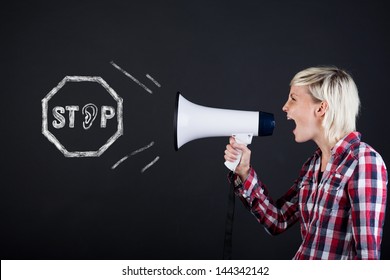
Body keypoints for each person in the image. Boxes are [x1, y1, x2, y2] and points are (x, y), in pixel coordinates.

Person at [224, 66, 387, 259]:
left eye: (293, 98)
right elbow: (278, 220)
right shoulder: (312, 166)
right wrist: (243, 171)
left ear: (321, 108)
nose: (285, 107)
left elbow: (367, 258)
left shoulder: (364, 162)